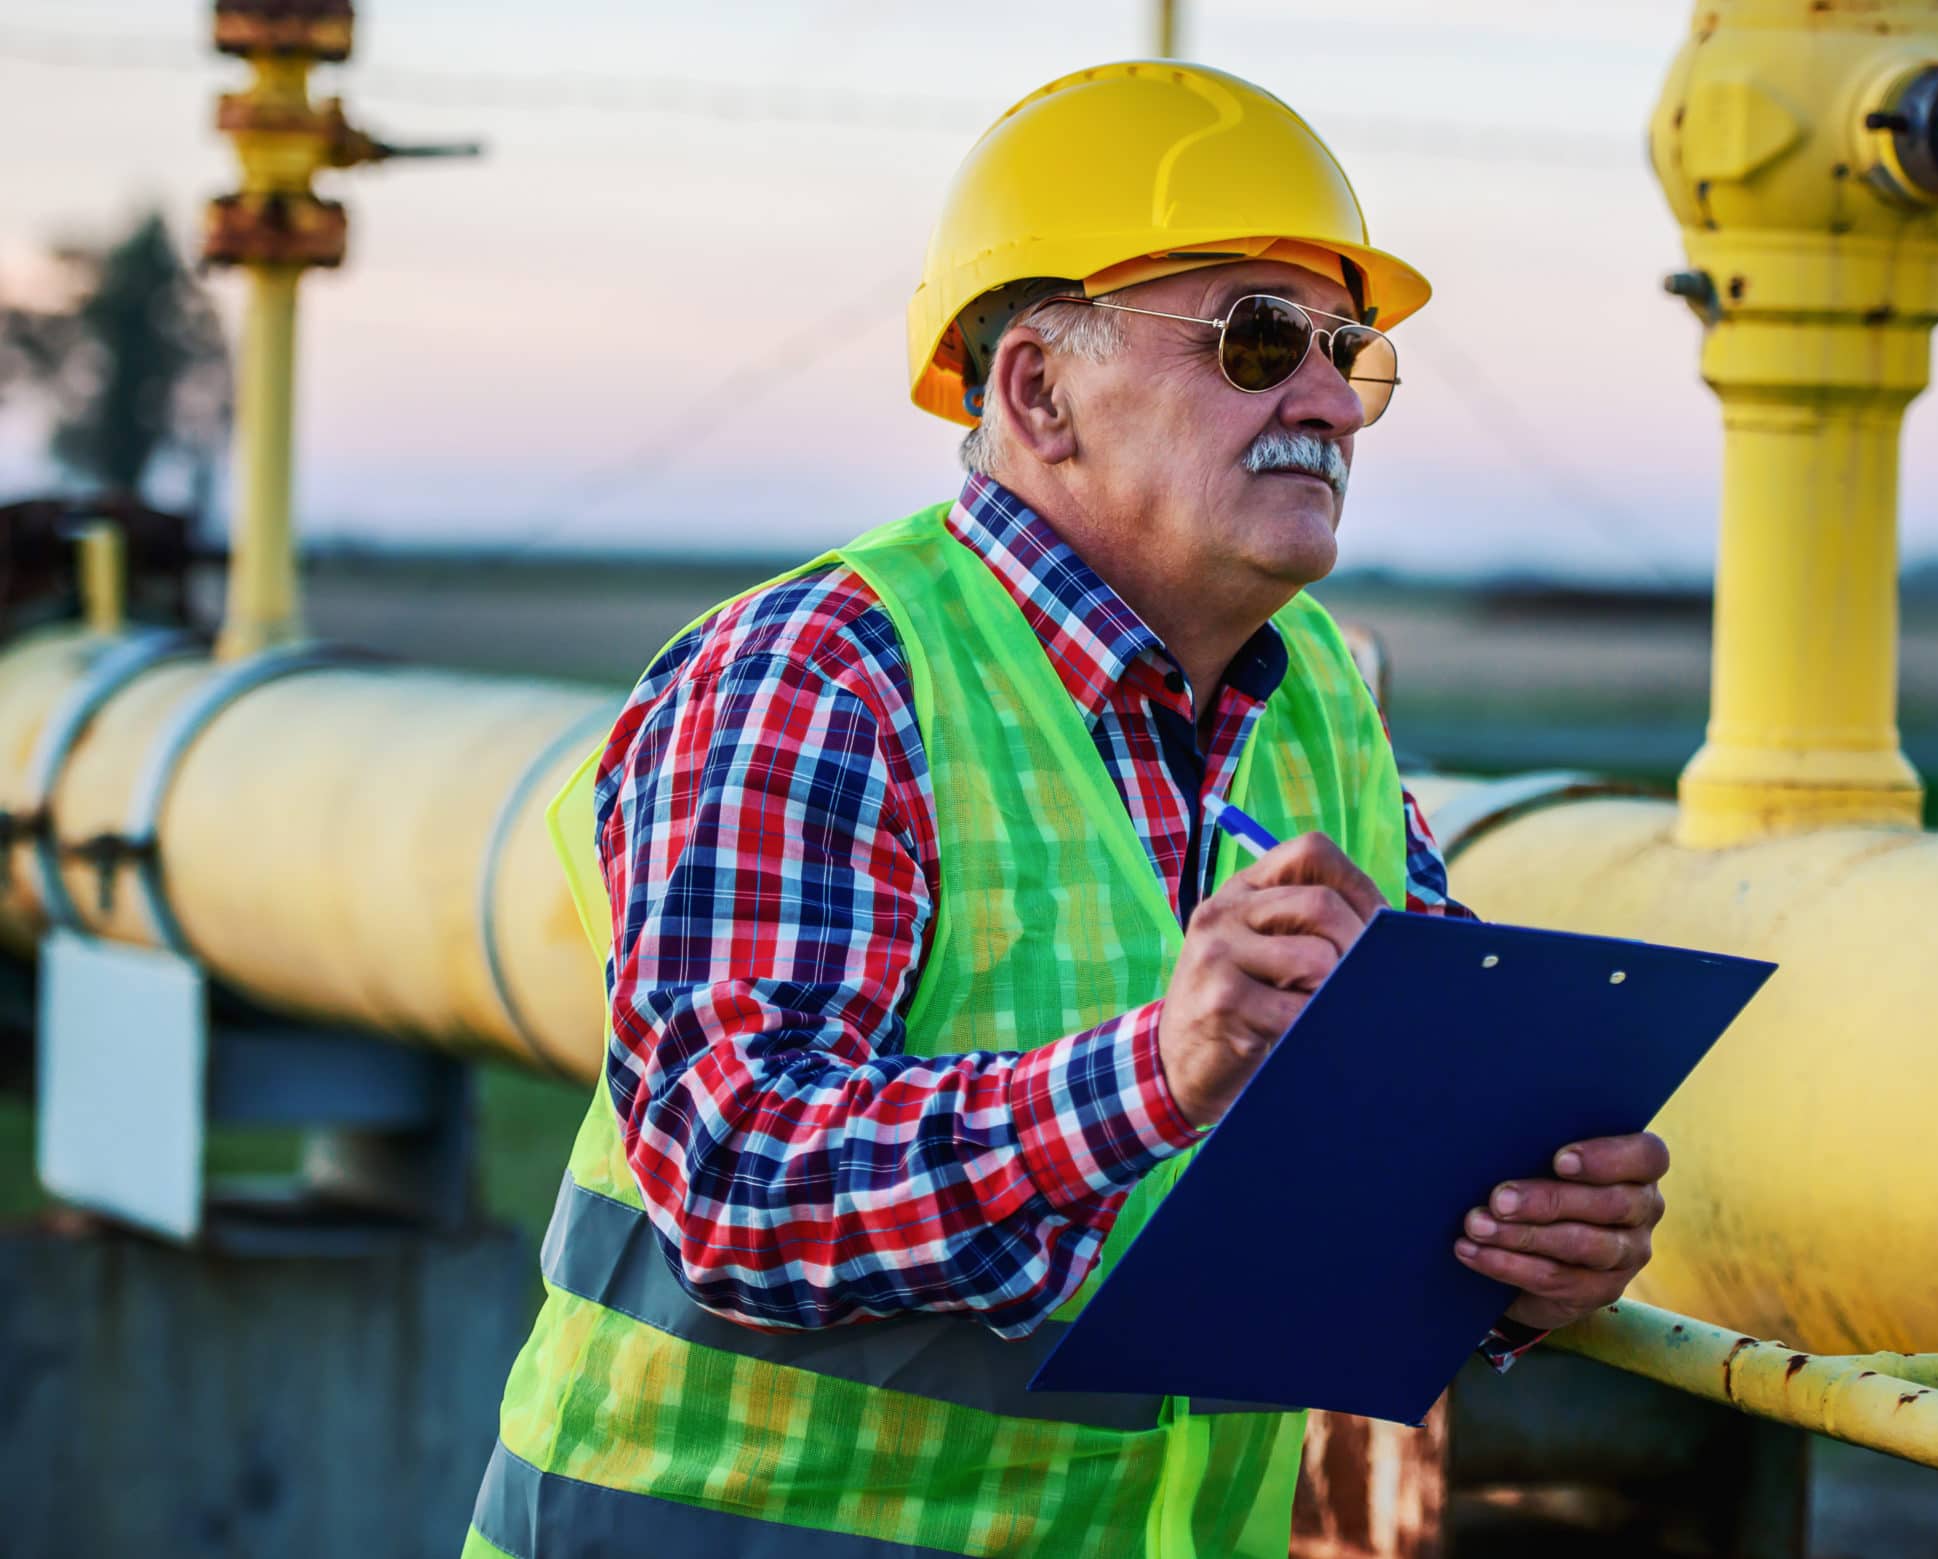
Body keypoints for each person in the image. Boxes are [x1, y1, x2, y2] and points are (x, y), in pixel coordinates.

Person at [464, 59, 1670, 1559]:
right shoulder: (824, 678)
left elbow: (1408, 1154)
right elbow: (738, 1185)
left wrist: (1533, 1248)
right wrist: (1156, 1072)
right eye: (1253, 339)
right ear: (1037, 389)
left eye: (1345, 351)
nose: (1325, 401)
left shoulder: (1321, 714)